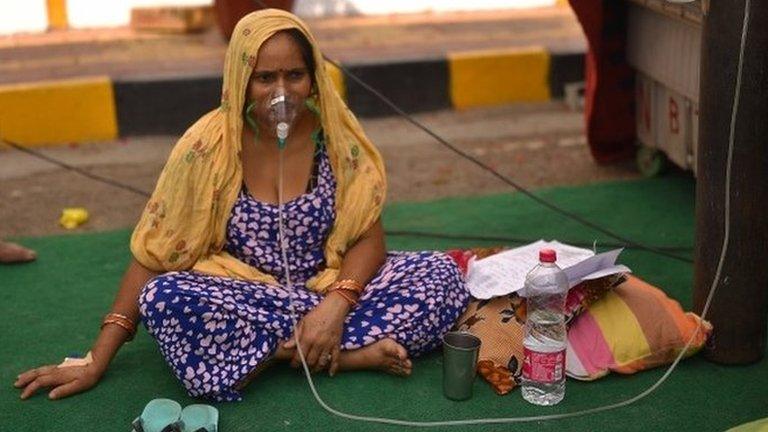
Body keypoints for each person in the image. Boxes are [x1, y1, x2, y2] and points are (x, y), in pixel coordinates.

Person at [14, 9, 469, 402]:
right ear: (240, 78)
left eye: (294, 75)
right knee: (164, 298)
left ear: (313, 78)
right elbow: (154, 255)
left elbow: (368, 236)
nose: (281, 91)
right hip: (251, 295)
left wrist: (334, 306)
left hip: (331, 288)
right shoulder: (207, 146)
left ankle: (284, 351)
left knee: (440, 276)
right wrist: (96, 359)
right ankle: (333, 355)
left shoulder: (336, 138)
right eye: (264, 77)